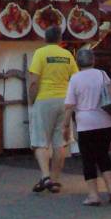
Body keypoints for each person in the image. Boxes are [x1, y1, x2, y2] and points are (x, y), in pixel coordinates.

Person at [63, 47, 111, 206]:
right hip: (106, 121)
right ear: (93, 60)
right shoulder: (102, 74)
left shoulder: (75, 79)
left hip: (85, 123)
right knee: (103, 155)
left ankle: (93, 195)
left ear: (77, 62)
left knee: (88, 159)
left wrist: (65, 126)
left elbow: (69, 105)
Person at [28, 25, 77, 194]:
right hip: (64, 100)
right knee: (60, 142)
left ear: (45, 38)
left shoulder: (40, 54)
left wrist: (32, 99)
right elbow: (75, 78)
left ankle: (45, 176)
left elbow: (34, 81)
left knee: (40, 141)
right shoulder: (67, 55)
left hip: (44, 100)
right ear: (60, 39)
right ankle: (55, 180)